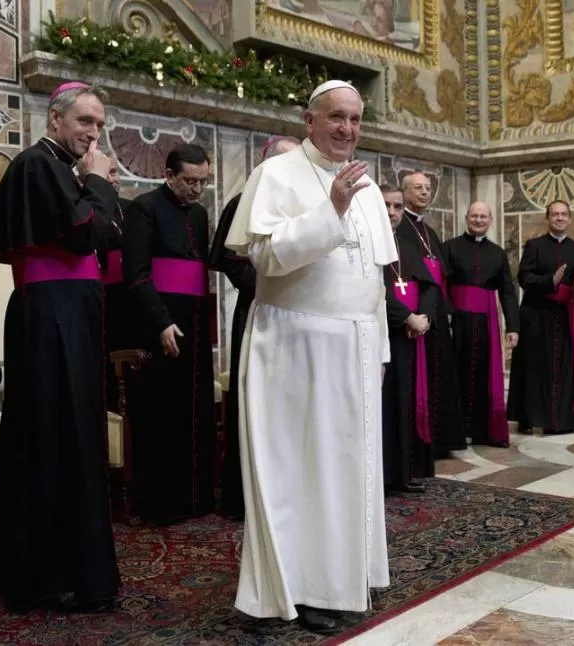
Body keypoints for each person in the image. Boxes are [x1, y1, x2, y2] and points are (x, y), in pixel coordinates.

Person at [224, 80, 396, 635]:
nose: (346, 129)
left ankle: (343, 576)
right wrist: (331, 209)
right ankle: (294, 589)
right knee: (297, 472)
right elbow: (266, 259)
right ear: (310, 120)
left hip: (355, 347)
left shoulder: (367, 187)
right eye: (336, 118)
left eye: (355, 119)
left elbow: (374, 274)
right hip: (294, 345)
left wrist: (381, 349)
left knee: (347, 469)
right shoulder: (275, 175)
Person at [0, 81, 120, 612]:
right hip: (52, 316)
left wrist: (91, 185)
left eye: (100, 124)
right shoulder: (41, 165)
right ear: (54, 121)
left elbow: (105, 235)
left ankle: (57, 565)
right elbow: (87, 232)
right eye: (84, 121)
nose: (93, 133)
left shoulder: (60, 169)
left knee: (69, 434)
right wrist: (99, 182)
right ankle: (48, 573)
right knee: (54, 436)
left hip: (66, 312)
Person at [123, 143, 217, 523]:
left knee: (197, 411)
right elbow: (137, 274)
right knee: (163, 415)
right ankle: (161, 504)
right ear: (169, 175)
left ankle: (197, 499)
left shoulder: (199, 213)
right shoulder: (144, 208)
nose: (196, 189)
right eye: (189, 181)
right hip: (160, 322)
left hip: (194, 320)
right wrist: (161, 321)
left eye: (203, 182)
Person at [208, 134, 299, 520]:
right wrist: (267, 279)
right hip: (259, 308)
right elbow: (227, 258)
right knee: (256, 401)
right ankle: (246, 498)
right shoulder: (242, 203)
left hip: (297, 311)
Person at [506, 200, 574, 435]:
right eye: (555, 214)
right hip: (536, 314)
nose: (559, 218)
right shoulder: (534, 245)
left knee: (563, 368)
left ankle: (564, 419)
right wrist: (550, 281)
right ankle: (530, 417)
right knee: (533, 366)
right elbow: (524, 277)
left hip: (563, 317)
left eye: (564, 214)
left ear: (569, 218)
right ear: (547, 218)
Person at [396, 172, 465, 456]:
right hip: (414, 311)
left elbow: (442, 276)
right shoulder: (399, 228)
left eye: (427, 188)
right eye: (418, 188)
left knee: (441, 373)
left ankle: (441, 439)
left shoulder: (430, 231)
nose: (425, 192)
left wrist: (444, 309)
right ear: (404, 192)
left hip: (435, 310)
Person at [445, 202, 520, 447]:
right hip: (457, 322)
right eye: (474, 216)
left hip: (487, 323)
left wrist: (513, 327)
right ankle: (455, 430)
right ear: (466, 218)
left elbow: (508, 292)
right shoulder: (450, 248)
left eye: (484, 217)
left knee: (484, 375)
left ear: (491, 220)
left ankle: (482, 430)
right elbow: (442, 287)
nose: (479, 220)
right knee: (456, 373)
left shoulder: (498, 253)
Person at [380, 184, 437, 494]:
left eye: (398, 206)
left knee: (408, 403)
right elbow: (373, 291)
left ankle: (406, 472)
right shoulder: (368, 242)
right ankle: (388, 476)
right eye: (386, 205)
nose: (392, 212)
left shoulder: (408, 245)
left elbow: (430, 286)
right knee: (389, 405)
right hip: (386, 334)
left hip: (413, 335)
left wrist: (424, 317)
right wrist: (406, 317)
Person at [97, 155, 135, 411]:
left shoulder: (131, 209)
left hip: (130, 299)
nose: (113, 179)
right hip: (100, 299)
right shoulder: (89, 207)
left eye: (115, 172)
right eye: (107, 173)